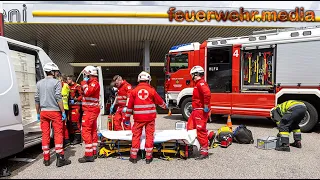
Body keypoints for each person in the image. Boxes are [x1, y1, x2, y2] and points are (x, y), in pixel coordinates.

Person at [124, 71, 168, 164]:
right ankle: (148, 157)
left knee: (136, 136)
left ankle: (134, 157)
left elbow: (129, 107)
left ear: (139, 80)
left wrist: (126, 119)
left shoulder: (134, 91)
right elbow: (160, 101)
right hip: (150, 119)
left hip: (138, 119)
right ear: (148, 80)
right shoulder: (152, 90)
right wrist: (166, 107)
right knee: (149, 136)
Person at [34, 62, 71, 167]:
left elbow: (36, 99)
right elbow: (59, 98)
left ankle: (46, 158)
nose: (56, 73)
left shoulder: (39, 83)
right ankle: (60, 159)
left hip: (43, 112)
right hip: (55, 112)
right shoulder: (56, 83)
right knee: (58, 134)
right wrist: (63, 111)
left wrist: (38, 112)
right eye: (55, 71)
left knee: (45, 134)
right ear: (52, 71)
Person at [187, 66, 214, 160]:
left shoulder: (201, 83)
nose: (191, 77)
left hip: (200, 110)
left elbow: (207, 94)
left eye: (192, 75)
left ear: (196, 74)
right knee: (190, 128)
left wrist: (206, 106)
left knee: (200, 130)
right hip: (196, 110)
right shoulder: (198, 84)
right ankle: (209, 134)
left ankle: (204, 151)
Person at [78, 66, 101, 163]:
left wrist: (83, 84)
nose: (84, 77)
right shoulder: (91, 83)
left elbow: (88, 93)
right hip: (91, 110)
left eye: (86, 75)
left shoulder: (94, 83)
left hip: (90, 110)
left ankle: (89, 155)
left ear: (89, 74)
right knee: (92, 130)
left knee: (86, 131)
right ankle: (94, 151)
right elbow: (84, 94)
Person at [67, 75, 83, 145]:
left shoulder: (77, 86)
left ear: (71, 80)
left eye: (68, 80)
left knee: (75, 123)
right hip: (69, 107)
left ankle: (78, 139)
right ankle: (72, 138)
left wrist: (75, 99)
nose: (67, 81)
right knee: (70, 123)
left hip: (76, 107)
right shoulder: (67, 86)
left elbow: (81, 95)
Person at [60, 74, 71, 147]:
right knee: (64, 125)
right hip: (64, 107)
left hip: (63, 107)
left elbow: (62, 94)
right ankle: (66, 140)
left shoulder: (65, 85)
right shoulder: (65, 85)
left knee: (63, 125)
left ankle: (65, 140)